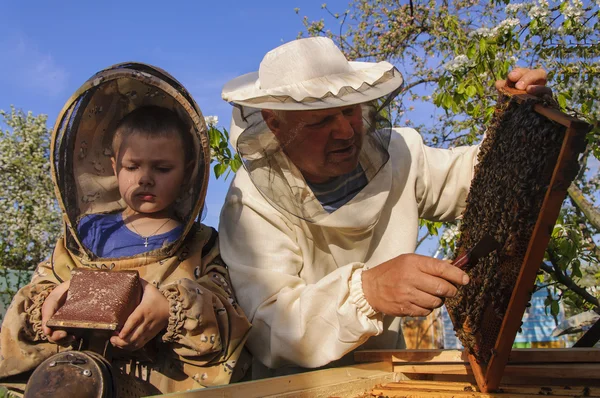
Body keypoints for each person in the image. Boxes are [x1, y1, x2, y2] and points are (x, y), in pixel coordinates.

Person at [218, 36, 550, 379]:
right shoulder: (251, 201)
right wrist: (369, 290)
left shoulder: (401, 154)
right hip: (296, 387)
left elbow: (482, 182)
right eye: (320, 121)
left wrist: (524, 118)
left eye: (350, 110)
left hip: (391, 374)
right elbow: (269, 326)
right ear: (275, 123)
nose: (346, 131)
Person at [0, 63, 250, 396]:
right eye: (133, 166)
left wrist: (169, 310)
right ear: (114, 166)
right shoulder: (85, 236)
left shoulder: (199, 245)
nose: (145, 178)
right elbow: (42, 285)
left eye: (162, 168)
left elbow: (227, 316)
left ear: (189, 171)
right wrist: (51, 299)